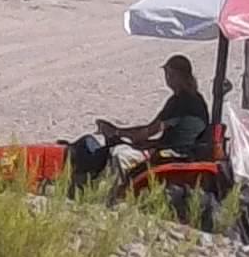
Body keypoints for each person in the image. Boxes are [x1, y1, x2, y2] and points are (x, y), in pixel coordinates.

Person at [66, 54, 213, 196]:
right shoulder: (195, 99)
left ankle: (108, 197)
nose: (167, 79)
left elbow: (149, 130)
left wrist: (116, 132)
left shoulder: (181, 101)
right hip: (177, 150)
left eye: (170, 74)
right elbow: (164, 133)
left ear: (180, 76)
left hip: (174, 154)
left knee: (119, 155)